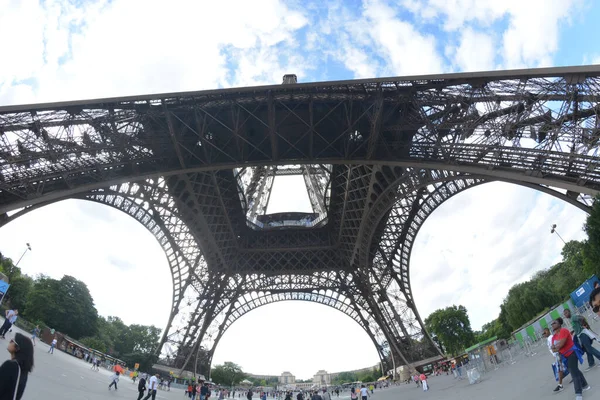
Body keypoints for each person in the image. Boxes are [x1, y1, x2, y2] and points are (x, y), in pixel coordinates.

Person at [551, 318, 590, 400]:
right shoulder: (554, 337)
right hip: (564, 356)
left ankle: (578, 393)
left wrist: (556, 346)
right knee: (575, 370)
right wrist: (556, 347)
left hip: (571, 353)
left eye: (554, 323)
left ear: (559, 324)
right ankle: (585, 385)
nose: (552, 325)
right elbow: (553, 349)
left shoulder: (564, 331)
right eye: (552, 324)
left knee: (573, 373)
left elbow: (561, 344)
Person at [0, 333, 34, 400]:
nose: (10, 341)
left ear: (17, 348)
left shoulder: (10, 365)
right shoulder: (23, 370)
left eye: (12, 340)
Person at [544, 323, 566, 393]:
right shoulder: (548, 339)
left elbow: (555, 345)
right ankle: (575, 376)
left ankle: (560, 385)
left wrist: (556, 352)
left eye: (545, 332)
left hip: (557, 354)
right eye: (543, 333)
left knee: (559, 369)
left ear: (549, 331)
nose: (544, 334)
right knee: (564, 366)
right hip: (556, 354)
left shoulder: (550, 337)